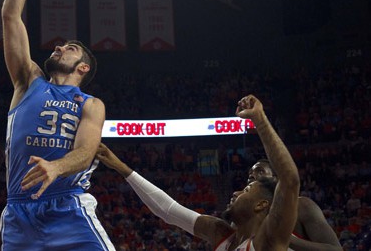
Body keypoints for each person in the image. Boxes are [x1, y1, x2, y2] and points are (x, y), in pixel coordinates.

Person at [0, 0, 114, 250]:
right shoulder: (28, 81)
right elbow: (10, 18)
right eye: (60, 45)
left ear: (83, 68)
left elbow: (86, 151)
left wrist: (56, 166)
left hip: (67, 206)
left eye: (70, 48)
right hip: (19, 210)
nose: (59, 47)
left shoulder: (91, 104)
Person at [96, 95, 300, 251]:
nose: (236, 193)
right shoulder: (222, 233)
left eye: (247, 188)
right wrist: (120, 167)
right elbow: (167, 210)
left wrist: (259, 119)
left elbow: (289, 180)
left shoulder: (268, 239)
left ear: (262, 204)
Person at [247, 159, 342, 251]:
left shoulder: (301, 206)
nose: (251, 176)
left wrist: (285, 239)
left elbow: (336, 250)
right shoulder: (248, 217)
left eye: (260, 171)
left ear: (277, 178)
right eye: (250, 173)